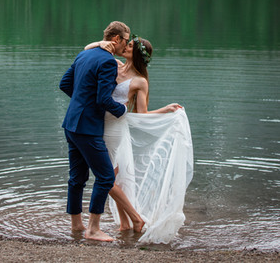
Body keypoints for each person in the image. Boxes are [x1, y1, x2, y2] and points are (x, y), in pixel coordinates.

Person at [85, 34, 193, 243]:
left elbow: (141, 113)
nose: (125, 46)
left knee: (106, 177)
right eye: (127, 43)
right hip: (99, 125)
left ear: (136, 53)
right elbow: (87, 49)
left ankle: (134, 220)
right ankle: (127, 223)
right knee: (112, 178)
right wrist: (100, 43)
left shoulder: (140, 81)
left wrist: (166, 110)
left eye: (130, 45)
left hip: (115, 130)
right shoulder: (113, 64)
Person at [59, 21, 131, 242]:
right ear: (116, 39)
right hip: (88, 128)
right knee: (106, 176)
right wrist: (124, 109)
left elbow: (64, 84)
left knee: (77, 177)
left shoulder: (84, 55)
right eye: (126, 41)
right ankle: (93, 229)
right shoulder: (108, 62)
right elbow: (103, 99)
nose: (126, 45)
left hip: (71, 123)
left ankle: (76, 225)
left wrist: (82, 101)